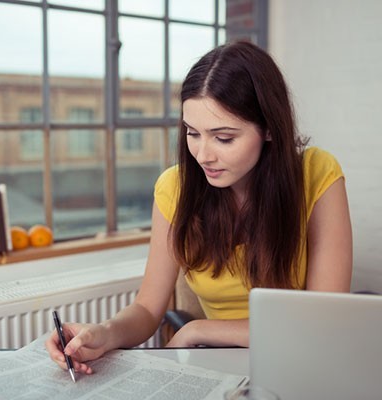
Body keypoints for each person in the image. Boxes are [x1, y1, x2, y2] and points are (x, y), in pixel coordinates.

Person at [46, 40, 352, 375]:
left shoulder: (317, 174)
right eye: (193, 133)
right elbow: (148, 308)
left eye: (223, 138)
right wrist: (103, 333)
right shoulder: (174, 188)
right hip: (220, 368)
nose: (203, 155)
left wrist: (198, 329)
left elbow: (325, 319)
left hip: (301, 361)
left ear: (268, 129)